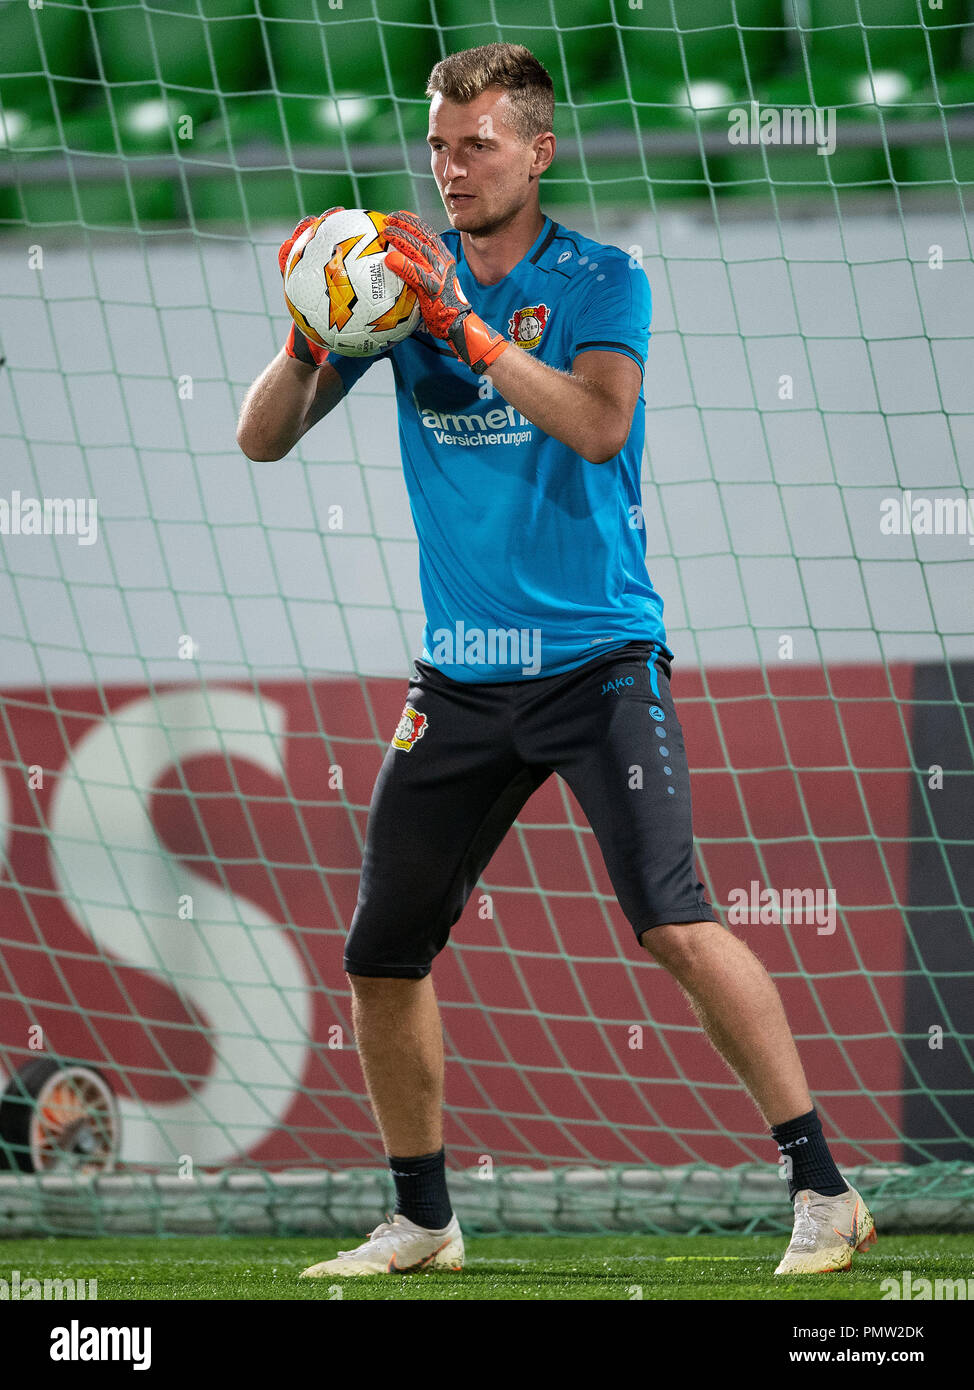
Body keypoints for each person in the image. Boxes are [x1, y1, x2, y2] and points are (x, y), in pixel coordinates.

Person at [237, 42, 876, 1280]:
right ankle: (424, 1217)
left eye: (475, 143)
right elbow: (260, 441)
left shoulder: (599, 277)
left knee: (673, 920)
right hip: (460, 679)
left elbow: (596, 425)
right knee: (380, 952)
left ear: (537, 150)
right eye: (436, 143)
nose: (449, 165)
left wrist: (462, 330)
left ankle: (822, 1191)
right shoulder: (395, 288)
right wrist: (314, 327)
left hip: (597, 663)